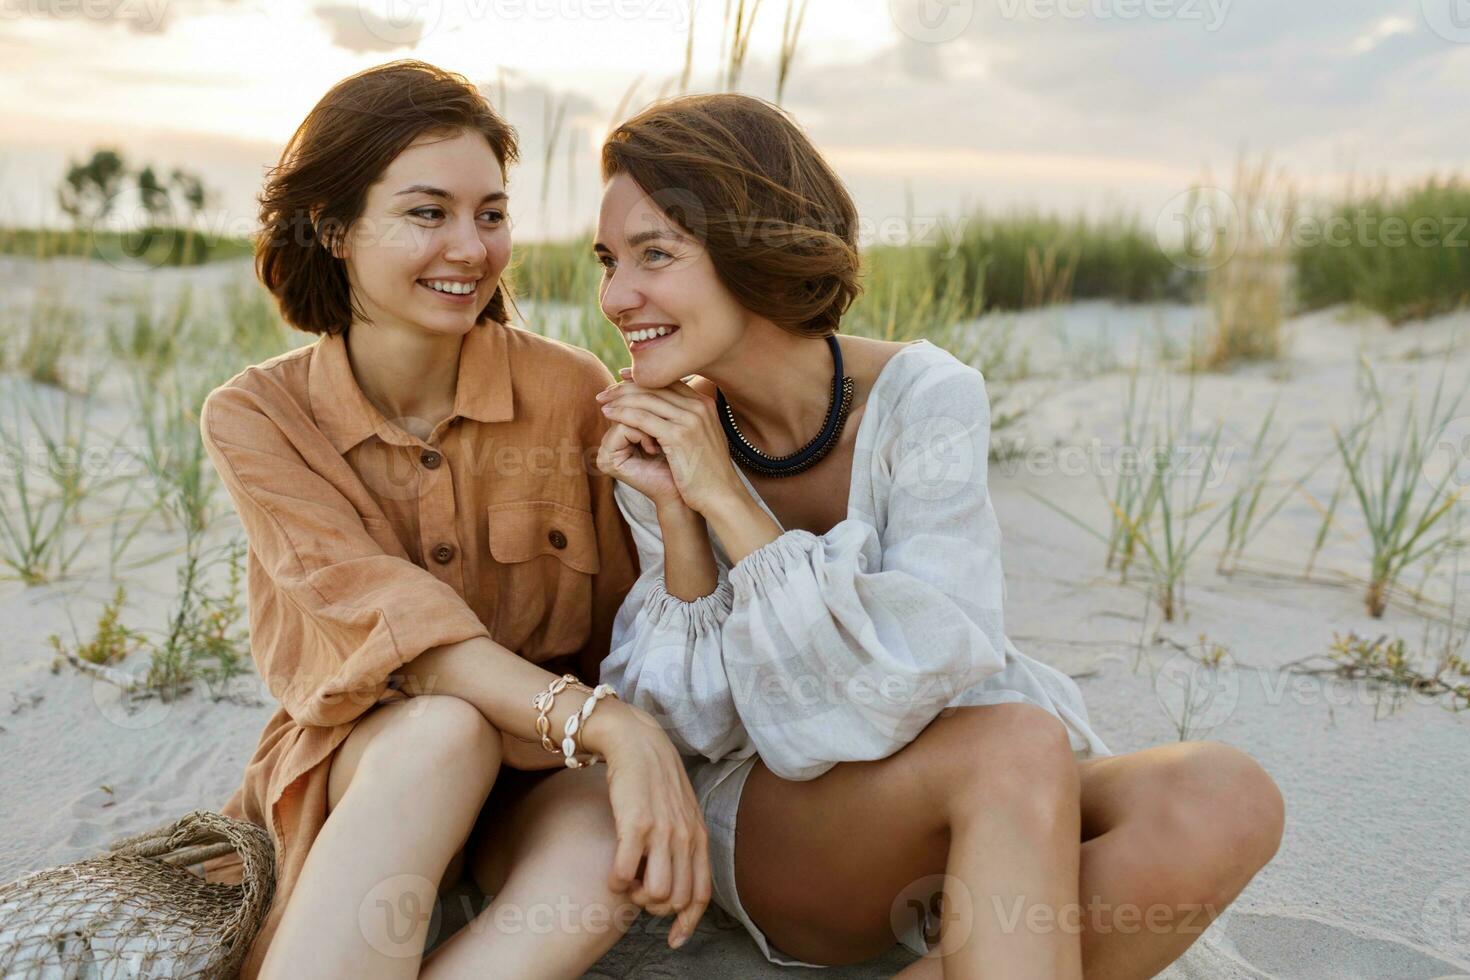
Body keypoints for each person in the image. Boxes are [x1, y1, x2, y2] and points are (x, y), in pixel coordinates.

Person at [591, 92, 1286, 978]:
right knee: (1014, 740)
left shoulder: (927, 398)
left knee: (1222, 793)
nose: (617, 296)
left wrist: (730, 499)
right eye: (609, 259)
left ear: (754, 245)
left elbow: (922, 672)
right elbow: (687, 724)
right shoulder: (661, 437)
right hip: (780, 823)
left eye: (656, 254)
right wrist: (686, 518)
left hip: (970, 780)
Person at [198, 61, 710, 980]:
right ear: (334, 228)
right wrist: (612, 726)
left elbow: (632, 625)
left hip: (541, 773)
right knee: (445, 728)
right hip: (370, 770)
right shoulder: (258, 417)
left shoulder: (572, 392)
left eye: (491, 212)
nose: (471, 249)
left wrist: (616, 730)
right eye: (427, 213)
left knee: (605, 843)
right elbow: (408, 638)